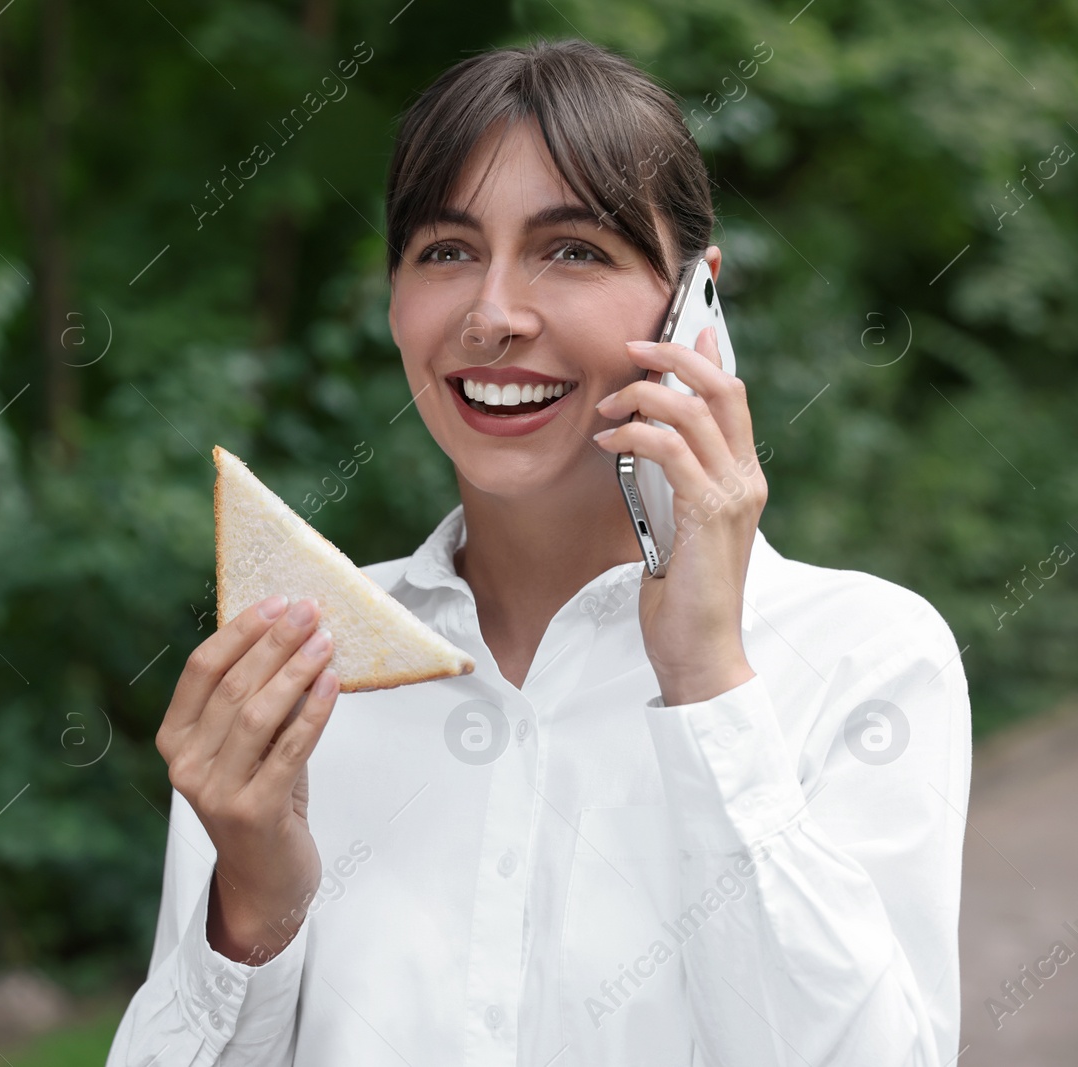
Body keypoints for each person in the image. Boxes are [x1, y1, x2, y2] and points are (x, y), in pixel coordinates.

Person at [107, 37, 970, 1067]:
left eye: (572, 250)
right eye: (445, 250)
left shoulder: (866, 656)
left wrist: (704, 684)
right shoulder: (292, 678)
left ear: (695, 301)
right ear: (392, 300)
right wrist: (251, 909)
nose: (492, 315)